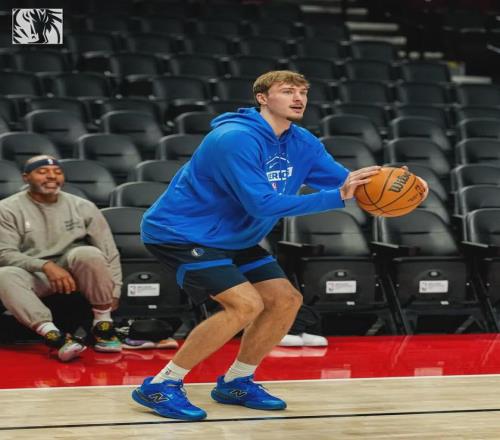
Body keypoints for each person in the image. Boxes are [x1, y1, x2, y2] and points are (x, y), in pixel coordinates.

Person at [132, 70, 428, 421]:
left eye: (303, 91)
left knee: (286, 300)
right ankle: (162, 385)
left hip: (235, 236)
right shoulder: (233, 138)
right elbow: (262, 204)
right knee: (244, 305)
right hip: (181, 233)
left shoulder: (301, 141)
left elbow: (348, 183)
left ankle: (236, 382)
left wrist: (402, 184)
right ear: (262, 98)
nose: (298, 98)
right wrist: (336, 197)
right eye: (287, 91)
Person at [0, 155, 123, 362]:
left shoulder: (83, 206)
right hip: (34, 274)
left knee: (89, 253)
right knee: (4, 275)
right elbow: (4, 253)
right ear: (26, 177)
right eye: (42, 172)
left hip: (74, 272)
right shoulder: (7, 208)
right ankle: (55, 336)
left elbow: (109, 251)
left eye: (57, 172)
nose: (51, 176)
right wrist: (45, 266)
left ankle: (103, 327)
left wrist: (116, 289)